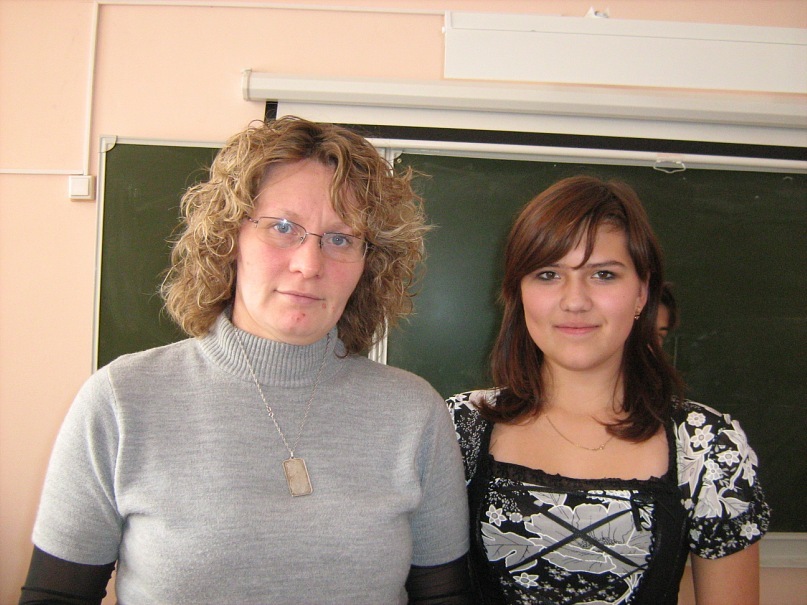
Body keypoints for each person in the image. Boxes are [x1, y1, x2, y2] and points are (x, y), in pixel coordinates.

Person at [21, 116, 471, 604]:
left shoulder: (414, 413)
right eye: (283, 228)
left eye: (341, 238)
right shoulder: (121, 400)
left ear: (369, 262)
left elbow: (442, 596)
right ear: (229, 238)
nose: (309, 264)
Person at [446, 176, 770, 604]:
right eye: (548, 274)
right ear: (517, 292)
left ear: (642, 293)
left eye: (603, 274)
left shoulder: (707, 445)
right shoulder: (458, 426)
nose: (575, 300)